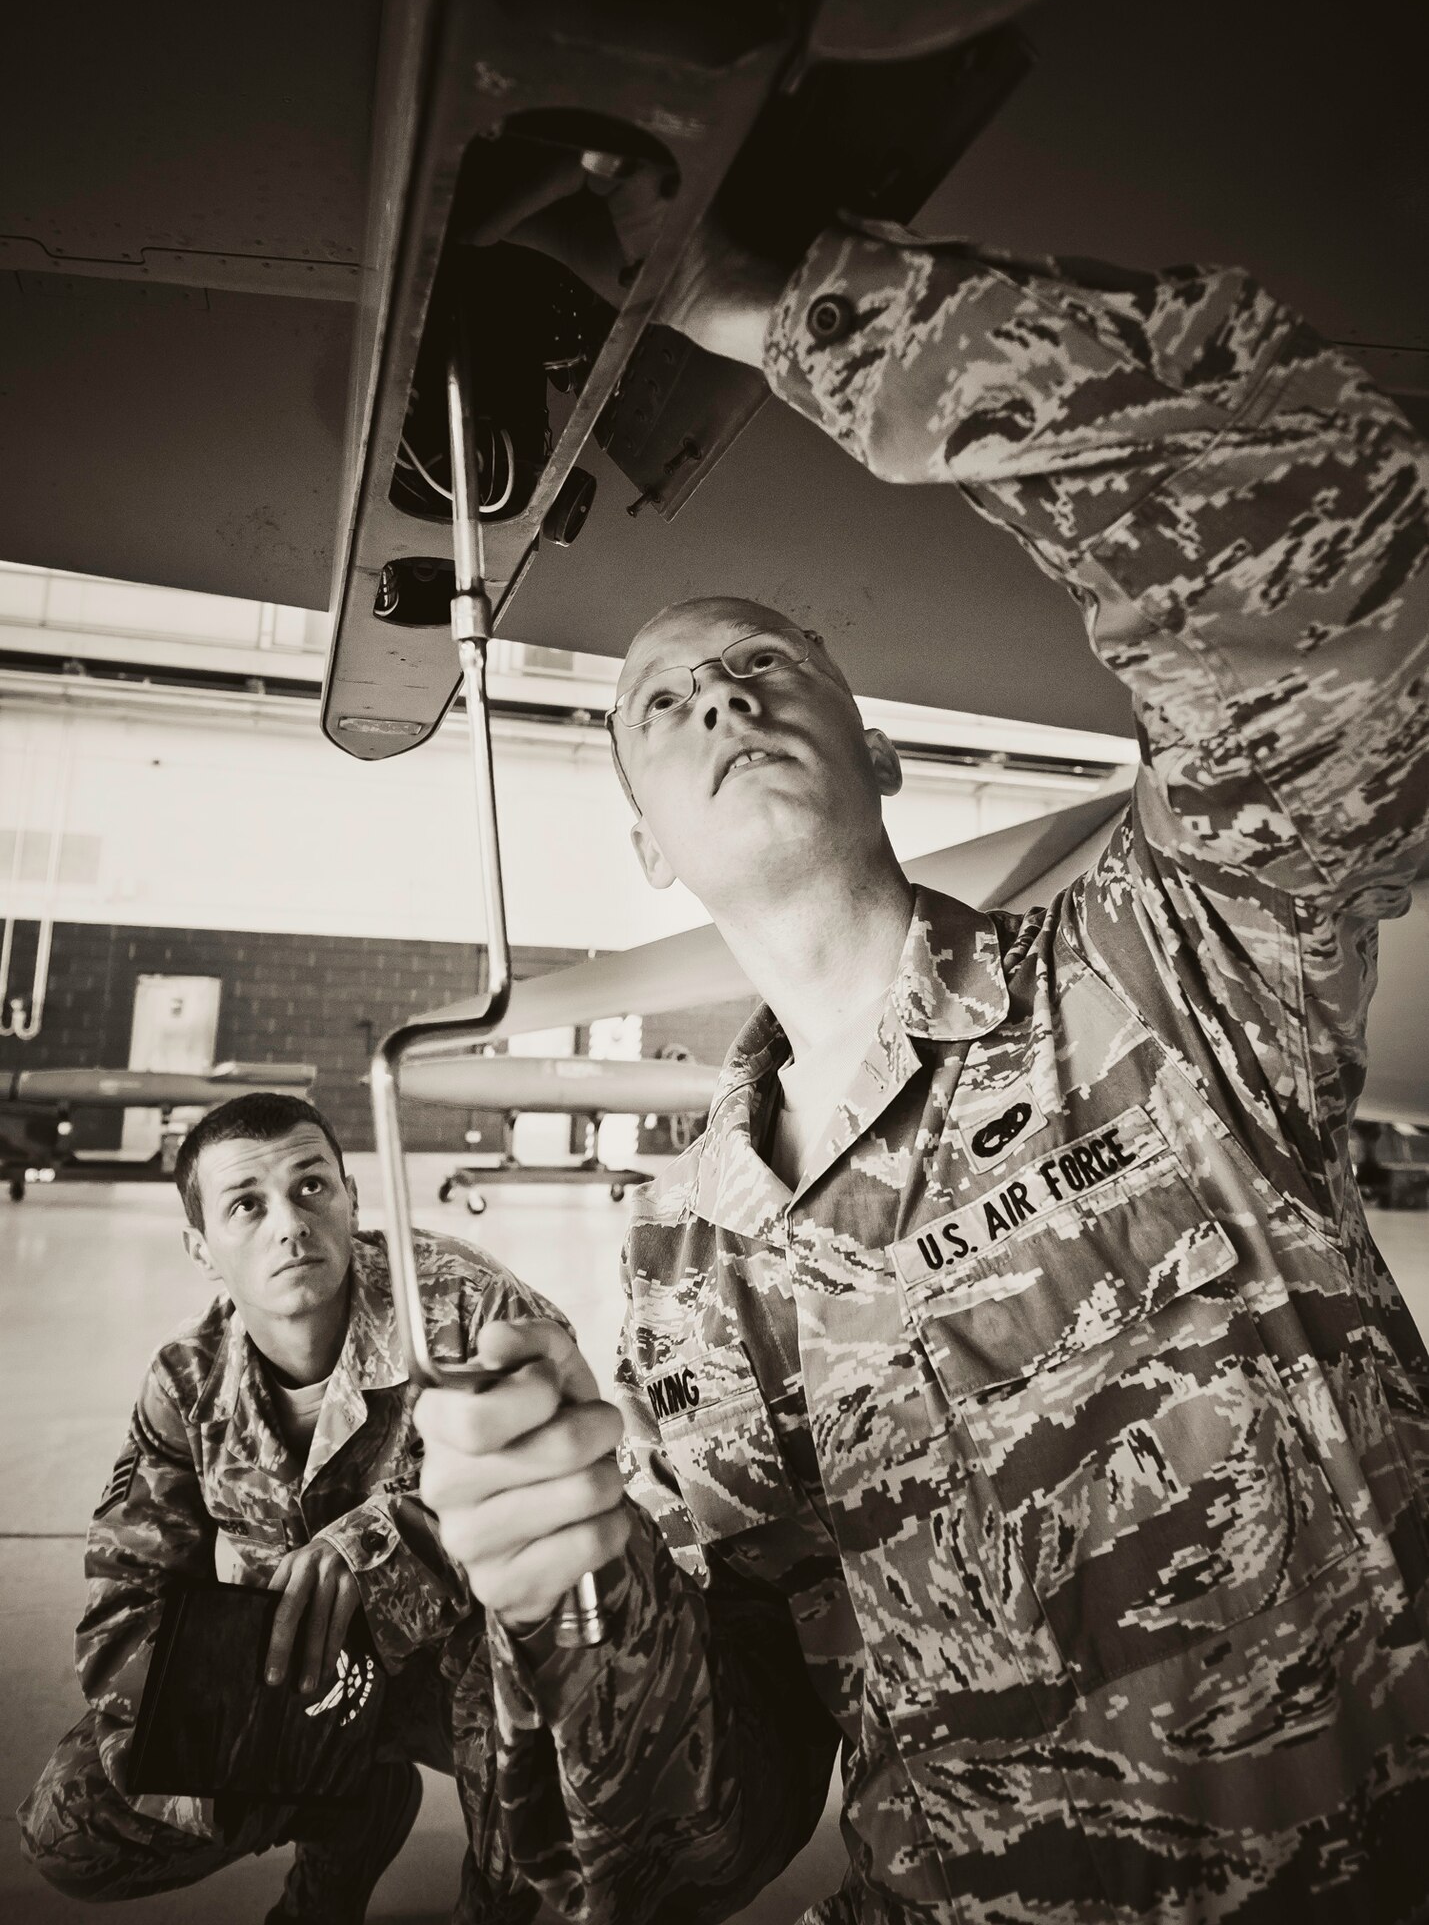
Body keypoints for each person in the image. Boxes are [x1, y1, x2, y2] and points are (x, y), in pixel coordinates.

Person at [415, 208, 1429, 1925]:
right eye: (660, 710)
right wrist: (573, 1599)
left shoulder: (1161, 956)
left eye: (758, 667)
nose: (717, 706)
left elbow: (1329, 556)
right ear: (648, 847)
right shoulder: (684, 1267)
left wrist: (764, 299)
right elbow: (719, 1820)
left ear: (874, 750)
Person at [18, 1092, 550, 1925]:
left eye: (311, 1188)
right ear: (202, 1248)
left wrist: (380, 1547)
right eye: (246, 1205)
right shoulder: (186, 1385)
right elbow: (126, 1598)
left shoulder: (460, 1307)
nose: (289, 1224)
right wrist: (224, 1760)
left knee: (553, 1695)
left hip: (462, 1674)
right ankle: (346, 1817)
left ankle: (500, 1906)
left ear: (352, 1201)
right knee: (69, 1830)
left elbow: (572, 1490)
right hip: (293, 1684)